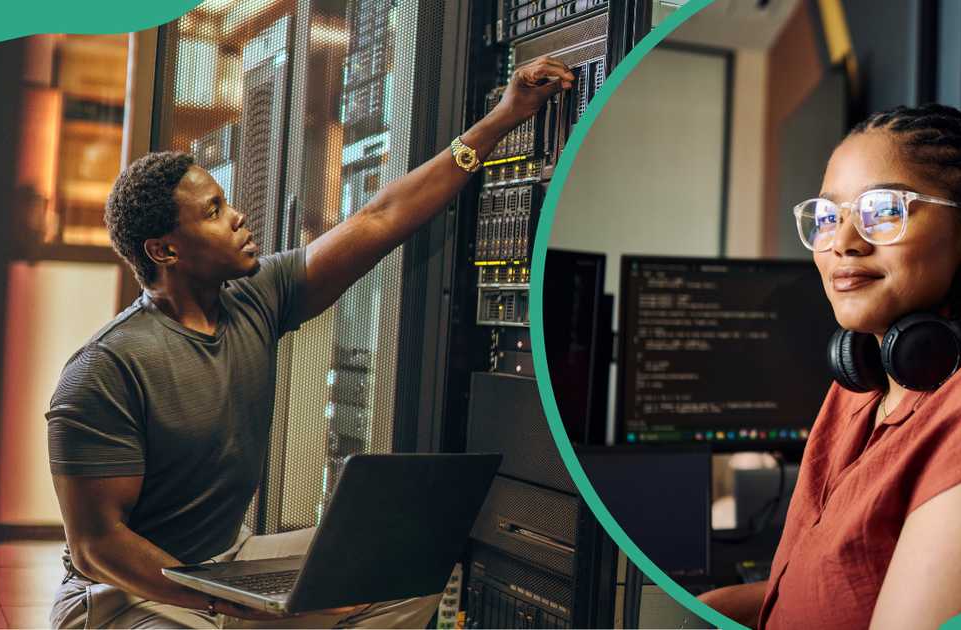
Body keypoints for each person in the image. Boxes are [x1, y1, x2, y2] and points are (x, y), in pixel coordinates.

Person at [45, 56, 574, 629]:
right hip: (131, 596)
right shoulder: (105, 370)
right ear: (164, 251)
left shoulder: (257, 297)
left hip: (225, 564)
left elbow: (379, 218)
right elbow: (100, 547)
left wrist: (505, 116)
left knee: (403, 574)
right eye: (215, 212)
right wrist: (227, 602)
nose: (240, 217)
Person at [698, 103, 961, 629]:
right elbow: (833, 587)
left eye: (884, 209)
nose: (843, 242)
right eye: (828, 217)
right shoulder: (863, 380)